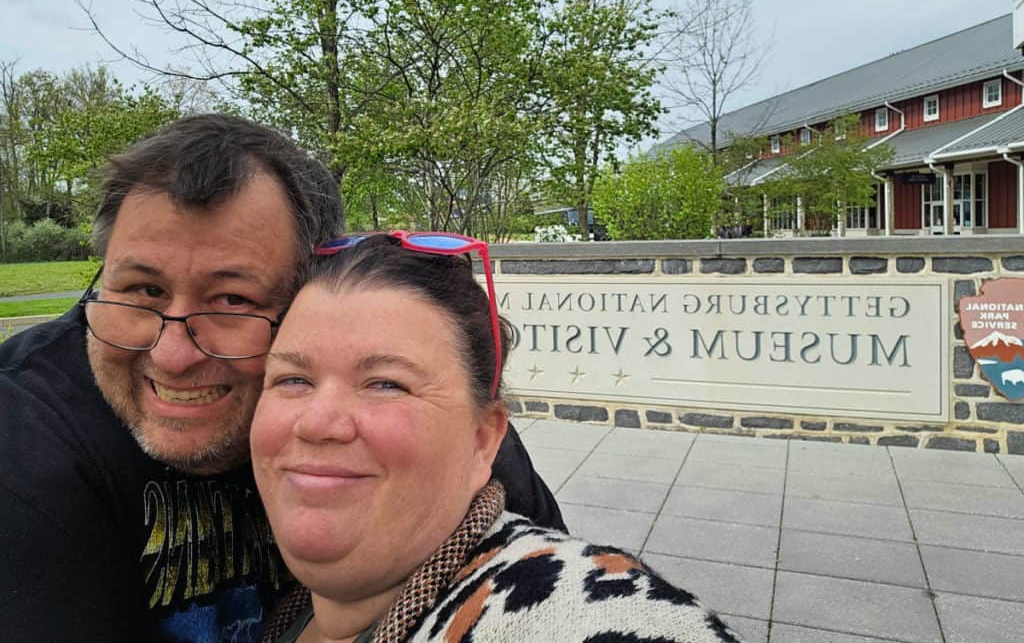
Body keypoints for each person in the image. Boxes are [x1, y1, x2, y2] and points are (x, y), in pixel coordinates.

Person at [0, 115, 562, 643]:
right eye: (144, 291)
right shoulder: (25, 436)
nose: (171, 356)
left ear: (306, 306)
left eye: (231, 300)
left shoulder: (435, 424)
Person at [252, 233, 740, 643]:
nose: (317, 423)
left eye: (386, 384)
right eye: (293, 379)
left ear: (483, 441)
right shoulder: (278, 609)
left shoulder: (564, 606)